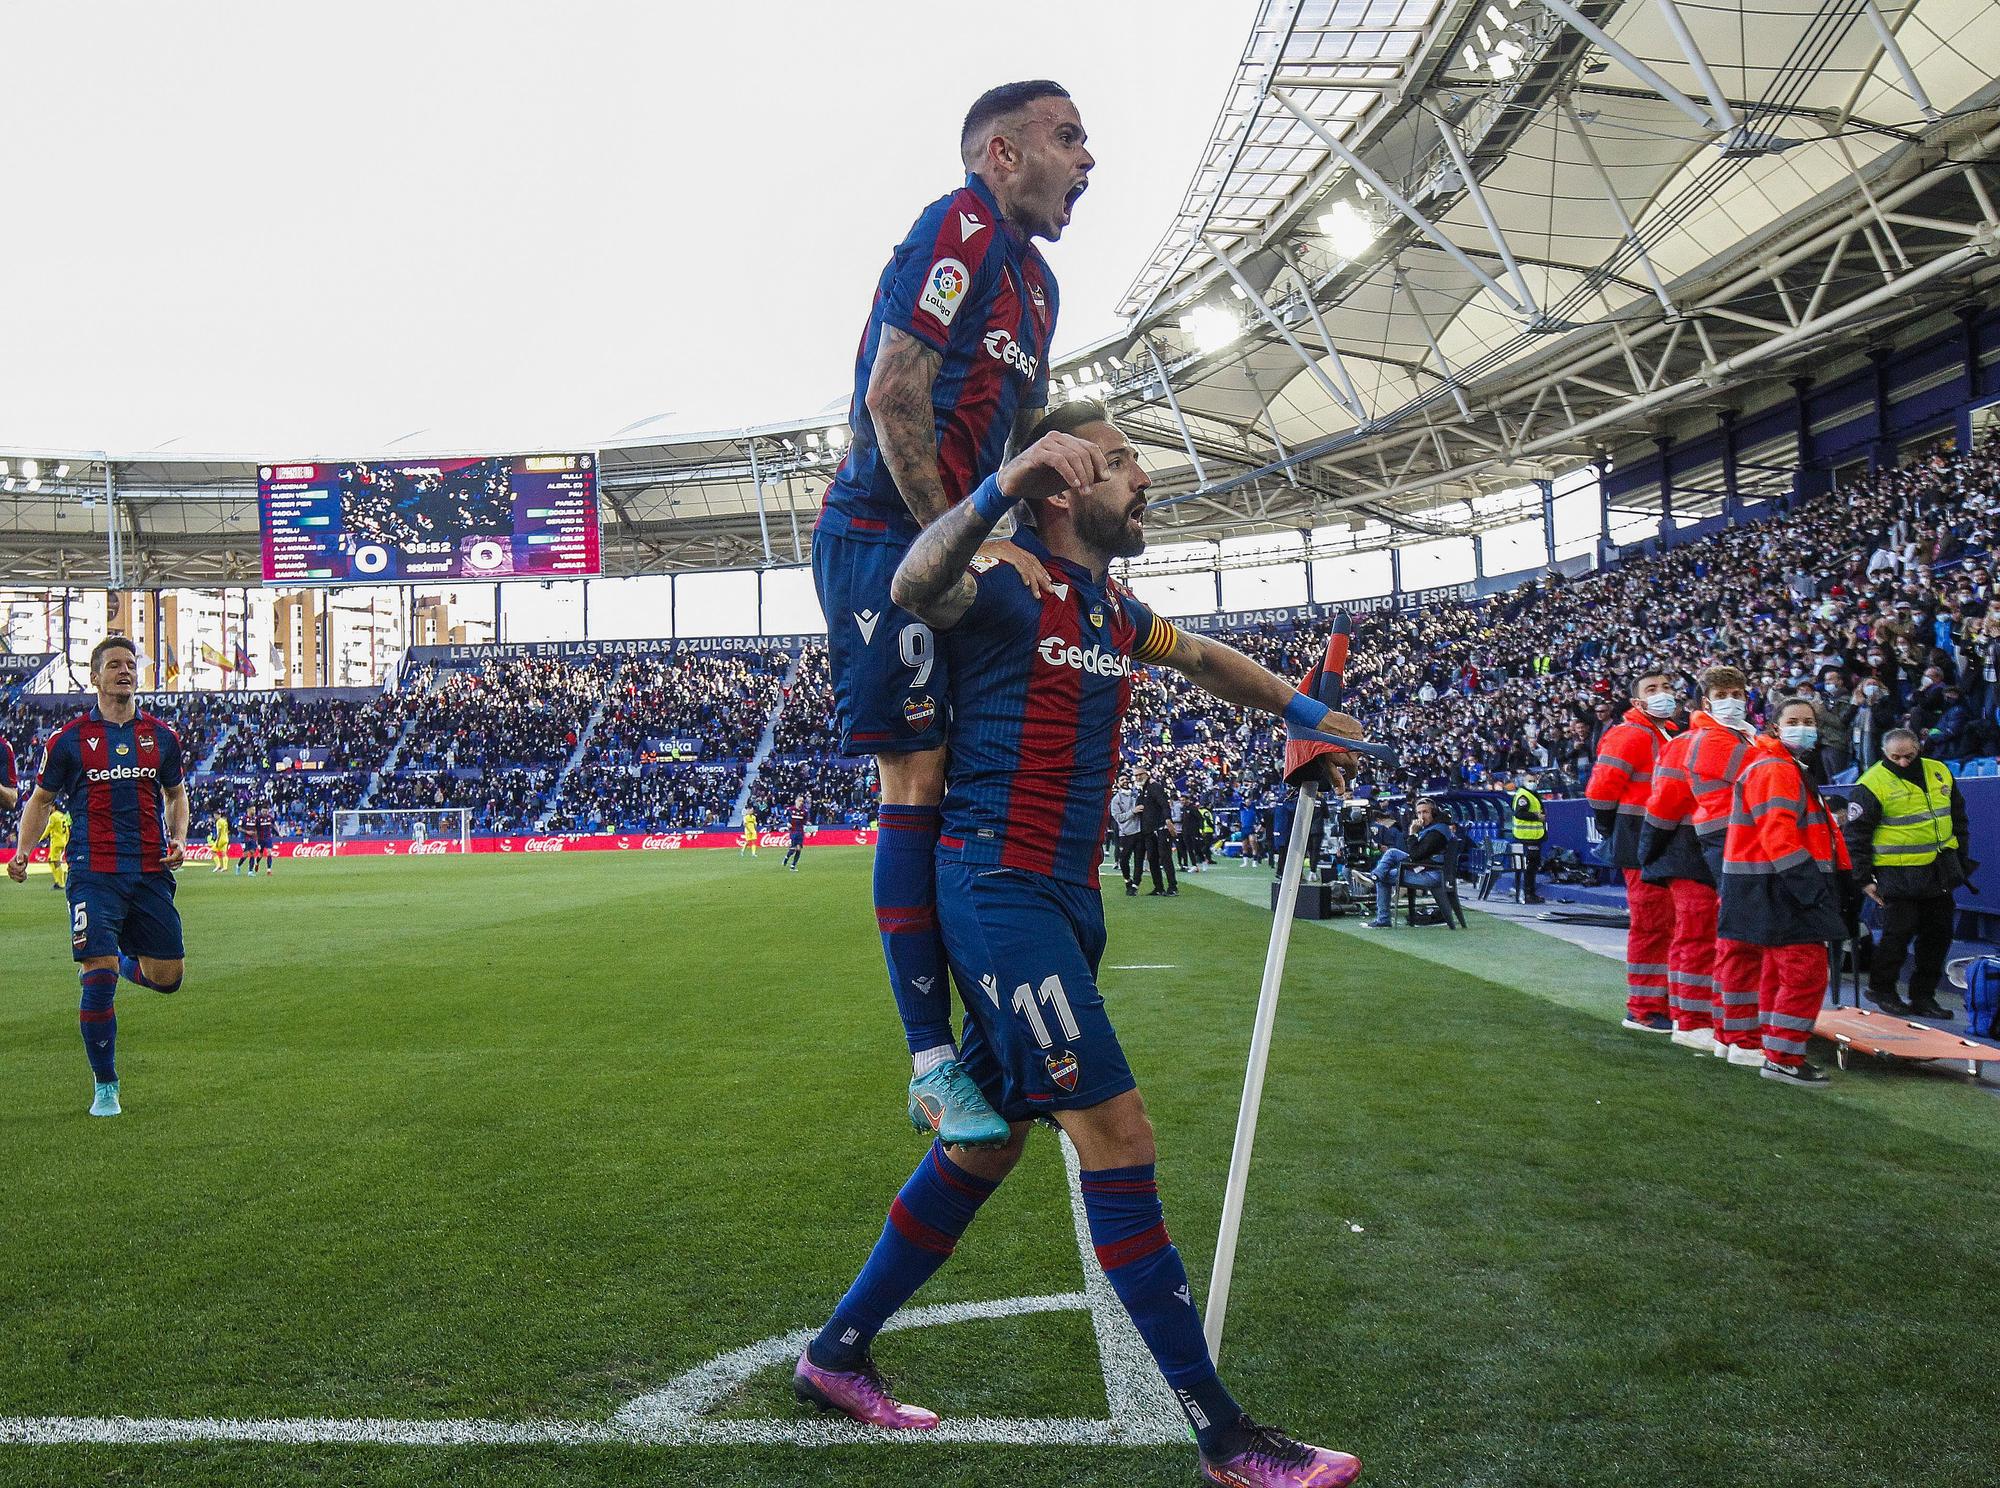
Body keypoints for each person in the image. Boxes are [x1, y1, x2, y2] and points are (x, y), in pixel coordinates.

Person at [793, 401, 1366, 1486]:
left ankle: (834, 1355)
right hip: (997, 891)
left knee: (987, 1146)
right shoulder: (1002, 578)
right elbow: (915, 583)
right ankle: (1226, 1436)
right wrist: (998, 489)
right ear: (1061, 484)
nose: (1143, 480)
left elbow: (1207, 659)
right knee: (1116, 1129)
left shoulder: (1113, 610)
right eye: (1119, 462)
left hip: (1067, 901)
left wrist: (1303, 713)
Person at [811, 80, 1091, 1147]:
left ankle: (997, 1004)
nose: (1088, 159)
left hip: (959, 542)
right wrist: (957, 536)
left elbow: (1027, 436)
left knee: (978, 764)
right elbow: (893, 394)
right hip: (884, 540)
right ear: (1001, 152)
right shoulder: (957, 226)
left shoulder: (1041, 286)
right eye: (1067, 137)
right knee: (916, 777)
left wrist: (1051, 539)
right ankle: (931, 1063)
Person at [5, 636, 189, 1118]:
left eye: (130, 664)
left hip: (150, 870)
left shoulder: (162, 737)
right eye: (114, 665)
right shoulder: (68, 740)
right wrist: (23, 851)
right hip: (93, 871)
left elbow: (176, 794)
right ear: (95, 677)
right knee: (97, 974)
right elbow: (40, 801)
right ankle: (106, 1085)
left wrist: (179, 838)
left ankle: (126, 961)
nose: (124, 671)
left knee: (168, 979)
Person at [1717, 697, 1849, 1089]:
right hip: (1782, 884)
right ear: (1776, 727)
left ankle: (1765, 1048)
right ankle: (1784, 1057)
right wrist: (1811, 888)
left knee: (1773, 973)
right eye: (1794, 720)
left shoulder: (1778, 765)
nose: (1803, 727)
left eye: (1809, 721)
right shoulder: (1777, 768)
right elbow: (1779, 835)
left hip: (1765, 883)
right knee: (1805, 972)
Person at [1639, 666, 1757, 1056]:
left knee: (1716, 938)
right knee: (1697, 936)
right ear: (1705, 701)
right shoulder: (1690, 743)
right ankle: (1691, 1021)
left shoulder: (1748, 739)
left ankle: (1711, 1018)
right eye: (1723, 695)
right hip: (1689, 849)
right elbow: (1664, 804)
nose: (1732, 701)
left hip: (1723, 847)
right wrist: (1652, 850)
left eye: (1737, 693)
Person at [1843, 727, 1970, 1019]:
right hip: (1896, 873)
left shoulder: (1939, 772)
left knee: (1938, 936)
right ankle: (1882, 990)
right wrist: (1863, 879)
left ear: (1919, 750)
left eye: (1909, 756)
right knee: (1897, 935)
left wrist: (1961, 860)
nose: (1903, 762)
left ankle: (1923, 996)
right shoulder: (1871, 784)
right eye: (1896, 757)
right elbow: (1856, 836)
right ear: (1884, 754)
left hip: (1938, 870)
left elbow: (1958, 818)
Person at [1585, 669, 1681, 1033]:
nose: (1663, 693)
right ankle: (1643, 1009)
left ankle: (1659, 1003)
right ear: (1637, 701)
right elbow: (1600, 790)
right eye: (1653, 688)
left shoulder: (1665, 734)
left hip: (1658, 839)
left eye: (1667, 686)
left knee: (1664, 924)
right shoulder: (1630, 734)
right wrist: (1613, 829)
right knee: (1652, 924)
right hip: (1641, 839)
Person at [1363, 798, 1448, 928]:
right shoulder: (1435, 827)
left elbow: (1415, 856)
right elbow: (1417, 855)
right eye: (1419, 813)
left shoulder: (1436, 832)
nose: (1421, 816)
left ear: (1434, 813)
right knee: (1392, 853)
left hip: (1432, 875)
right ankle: (1375, 876)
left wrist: (1412, 833)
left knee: (1384, 877)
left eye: (1425, 812)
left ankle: (1383, 917)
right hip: (1427, 868)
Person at [1138, 767, 1177, 896]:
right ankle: (1158, 887)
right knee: (1152, 858)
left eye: (1140, 774)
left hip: (1160, 828)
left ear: (1146, 774)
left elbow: (1164, 804)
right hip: (1149, 830)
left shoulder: (1154, 787)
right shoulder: (1143, 790)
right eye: (1136, 775)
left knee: (1165, 857)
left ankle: (1172, 887)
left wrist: (1168, 820)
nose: (1138, 777)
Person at [1509, 771, 1546, 904]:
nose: (1532, 783)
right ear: (1523, 782)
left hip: (1533, 836)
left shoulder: (1532, 794)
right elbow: (1519, 814)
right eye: (1529, 781)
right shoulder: (1523, 796)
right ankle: (1528, 894)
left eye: (1534, 781)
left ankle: (1528, 892)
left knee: (1533, 865)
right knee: (1530, 866)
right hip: (1527, 836)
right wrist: (1536, 816)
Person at [1109, 774, 1142, 895]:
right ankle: (1128, 880)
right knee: (1123, 860)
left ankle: (1135, 885)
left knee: (1139, 860)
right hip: (1126, 834)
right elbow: (1118, 817)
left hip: (1140, 831)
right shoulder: (1116, 799)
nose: (1125, 781)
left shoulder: (1136, 794)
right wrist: (1133, 811)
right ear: (1118, 783)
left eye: (1127, 779)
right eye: (1122, 780)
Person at [43, 806, 72, 893]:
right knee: (51, 860)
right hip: (63, 841)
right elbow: (67, 829)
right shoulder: (62, 815)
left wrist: (40, 838)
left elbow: (48, 828)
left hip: (56, 842)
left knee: (55, 861)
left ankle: (60, 883)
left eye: (50, 807)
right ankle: (57, 881)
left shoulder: (53, 816)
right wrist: (67, 840)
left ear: (54, 807)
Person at [783, 796, 808, 872]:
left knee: (799, 849)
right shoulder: (790, 810)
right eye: (799, 801)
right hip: (793, 831)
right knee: (793, 848)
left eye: (802, 801)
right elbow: (783, 817)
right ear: (796, 801)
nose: (801, 802)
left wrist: (807, 825)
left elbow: (805, 821)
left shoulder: (805, 811)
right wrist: (787, 823)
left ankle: (793, 865)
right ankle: (787, 857)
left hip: (800, 831)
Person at [210, 809, 231, 874]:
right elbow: (227, 830)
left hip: (221, 839)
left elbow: (219, 832)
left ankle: (218, 865)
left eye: (215, 815)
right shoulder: (224, 821)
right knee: (224, 853)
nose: (215, 816)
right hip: (226, 838)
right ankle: (225, 867)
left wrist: (217, 841)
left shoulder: (219, 822)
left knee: (213, 851)